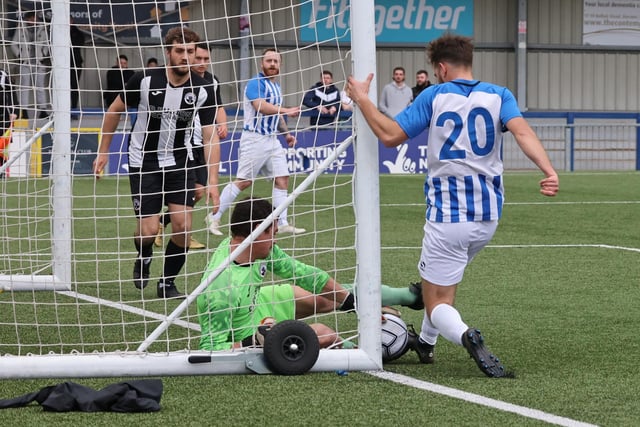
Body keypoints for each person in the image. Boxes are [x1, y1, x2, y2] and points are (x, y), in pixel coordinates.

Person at [346, 34, 559, 377]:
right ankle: (426, 345)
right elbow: (523, 133)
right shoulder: (499, 94)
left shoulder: (434, 94)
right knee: (441, 283)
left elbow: (389, 135)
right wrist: (548, 170)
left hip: (448, 216)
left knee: (438, 301)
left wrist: (361, 99)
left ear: (441, 68)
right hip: (488, 217)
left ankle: (466, 336)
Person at [197, 197, 424, 351]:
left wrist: (354, 304)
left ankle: (411, 296)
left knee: (325, 296)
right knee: (325, 333)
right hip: (247, 329)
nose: (276, 239)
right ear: (255, 232)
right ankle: (368, 352)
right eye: (272, 233)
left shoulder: (257, 249)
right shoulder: (219, 290)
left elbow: (304, 274)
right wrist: (254, 340)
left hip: (259, 301)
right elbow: (210, 349)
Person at [93, 26, 221, 299]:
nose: (186, 57)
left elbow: (210, 137)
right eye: (180, 51)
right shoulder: (143, 80)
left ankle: (167, 283)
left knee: (183, 226)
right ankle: (145, 254)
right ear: (168, 53)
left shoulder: (203, 89)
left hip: (180, 162)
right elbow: (114, 111)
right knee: (148, 231)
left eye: (190, 51)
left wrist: (213, 181)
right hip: (144, 162)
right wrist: (103, 152)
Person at [206, 48, 304, 236]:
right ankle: (214, 216)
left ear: (280, 65)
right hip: (254, 138)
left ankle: (281, 222)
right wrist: (285, 110)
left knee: (282, 179)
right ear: (262, 63)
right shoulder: (255, 83)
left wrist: (287, 135)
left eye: (276, 61)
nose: (272, 65)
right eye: (269, 61)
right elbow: (261, 107)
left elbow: (275, 114)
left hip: (272, 140)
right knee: (244, 182)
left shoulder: (276, 86)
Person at [154, 42, 229, 250]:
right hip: (182, 144)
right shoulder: (178, 79)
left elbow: (218, 106)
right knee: (187, 191)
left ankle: (167, 224)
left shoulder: (212, 81)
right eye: (199, 58)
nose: (203, 63)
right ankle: (168, 227)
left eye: (207, 59)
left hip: (202, 144)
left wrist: (222, 123)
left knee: (198, 192)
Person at [11, 11, 51, 119]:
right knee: (24, 87)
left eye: (35, 18)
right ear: (27, 19)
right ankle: (23, 111)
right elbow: (13, 44)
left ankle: (43, 110)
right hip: (26, 62)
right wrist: (20, 54)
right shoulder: (21, 29)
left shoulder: (42, 28)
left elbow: (47, 44)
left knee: (40, 87)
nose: (33, 20)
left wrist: (43, 54)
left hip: (39, 62)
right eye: (31, 18)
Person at [0, 68, 17, 177]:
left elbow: (11, 94)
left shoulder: (2, 74)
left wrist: (14, 111)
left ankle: (1, 172)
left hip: (2, 117)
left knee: (2, 146)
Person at [70, 18, 85, 119]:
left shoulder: (78, 33)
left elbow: (79, 43)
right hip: (62, 65)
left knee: (74, 87)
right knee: (62, 89)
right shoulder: (58, 32)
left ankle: (74, 110)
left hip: (75, 63)